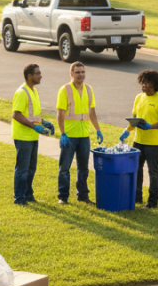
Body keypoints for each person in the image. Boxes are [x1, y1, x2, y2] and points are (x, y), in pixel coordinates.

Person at [119, 69, 158, 209]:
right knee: (137, 169)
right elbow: (134, 118)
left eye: (146, 83)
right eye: (142, 83)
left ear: (154, 84)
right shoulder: (138, 98)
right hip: (138, 142)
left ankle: (153, 201)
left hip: (153, 143)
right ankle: (137, 196)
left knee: (153, 172)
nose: (143, 85)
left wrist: (151, 126)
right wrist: (127, 130)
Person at [56, 62, 103, 204]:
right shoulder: (65, 90)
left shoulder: (89, 89)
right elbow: (60, 114)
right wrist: (62, 133)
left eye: (83, 72)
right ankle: (63, 197)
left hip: (84, 136)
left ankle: (82, 195)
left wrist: (98, 129)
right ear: (71, 74)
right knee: (65, 168)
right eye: (77, 72)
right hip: (69, 136)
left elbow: (92, 112)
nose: (80, 75)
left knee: (83, 168)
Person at [11, 63, 54, 205]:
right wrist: (33, 126)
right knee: (22, 169)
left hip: (32, 136)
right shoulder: (22, 92)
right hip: (23, 136)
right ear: (30, 76)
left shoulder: (33, 91)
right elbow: (16, 115)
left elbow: (33, 115)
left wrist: (44, 122)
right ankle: (19, 198)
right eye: (37, 73)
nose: (40, 76)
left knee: (31, 168)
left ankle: (28, 195)